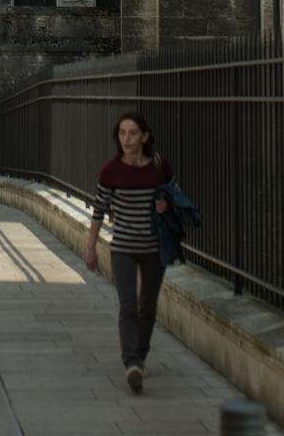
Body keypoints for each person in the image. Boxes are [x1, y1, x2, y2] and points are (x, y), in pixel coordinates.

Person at [84, 112, 172, 394]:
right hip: (122, 247)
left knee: (148, 305)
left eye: (133, 133)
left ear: (145, 136)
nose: (127, 138)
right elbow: (99, 209)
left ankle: (140, 356)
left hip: (154, 248)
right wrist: (90, 247)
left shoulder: (159, 166)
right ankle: (131, 361)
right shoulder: (111, 171)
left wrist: (165, 205)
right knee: (128, 304)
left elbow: (173, 196)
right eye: (122, 133)